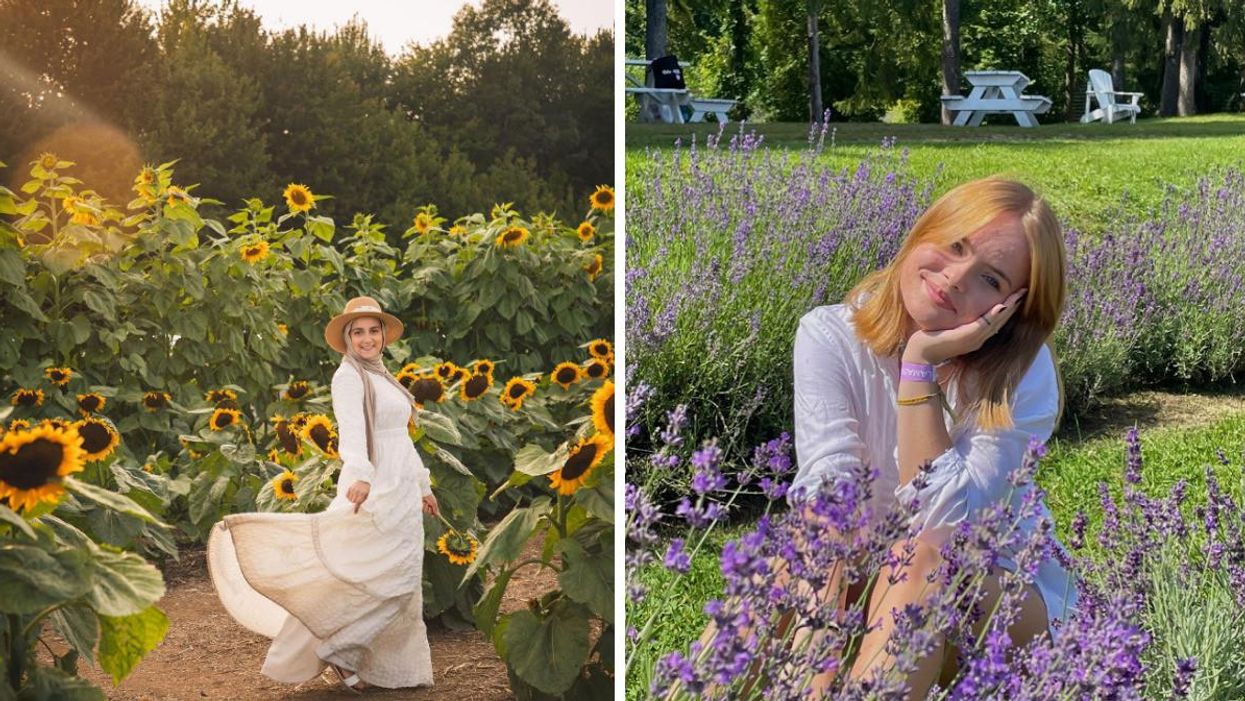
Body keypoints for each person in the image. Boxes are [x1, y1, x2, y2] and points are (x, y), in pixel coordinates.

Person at [780, 176, 1077, 697]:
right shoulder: (828, 336)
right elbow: (830, 494)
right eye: (955, 245)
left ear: (1011, 310)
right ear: (923, 232)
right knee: (786, 560)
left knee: (923, 558)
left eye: (990, 279)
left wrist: (919, 366)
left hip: (998, 596)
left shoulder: (1022, 375)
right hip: (871, 574)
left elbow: (942, 525)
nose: (956, 278)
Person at [207, 295, 439, 692]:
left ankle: (379, 665)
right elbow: (351, 431)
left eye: (373, 330)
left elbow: (400, 437)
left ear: (383, 335)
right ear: (347, 338)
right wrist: (362, 475)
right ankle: (338, 648)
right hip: (373, 486)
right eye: (358, 332)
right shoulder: (348, 377)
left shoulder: (383, 376)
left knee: (399, 578)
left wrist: (422, 485)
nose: (367, 339)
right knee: (374, 576)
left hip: (400, 487)